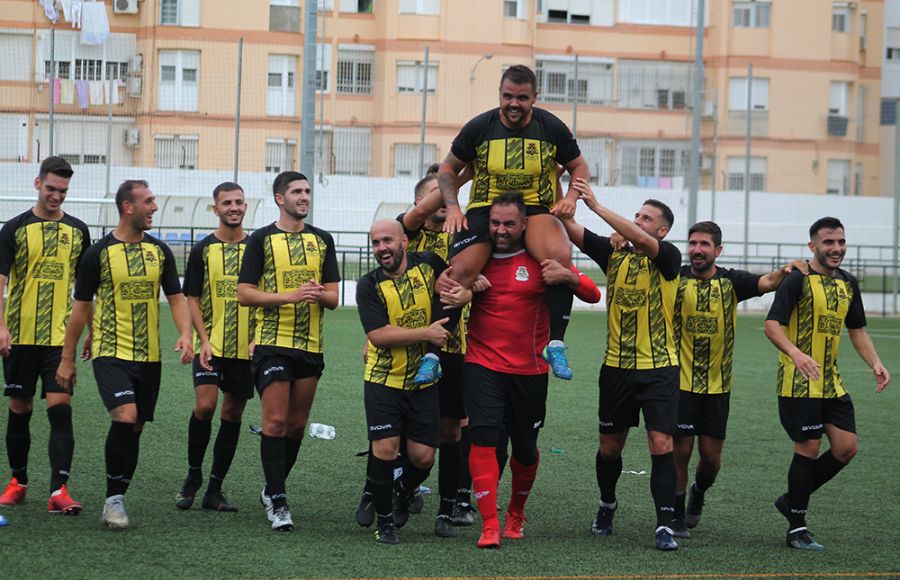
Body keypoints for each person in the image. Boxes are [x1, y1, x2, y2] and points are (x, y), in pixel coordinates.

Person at [425, 64, 591, 384]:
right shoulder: (479, 127)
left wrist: (570, 197)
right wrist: (453, 207)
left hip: (533, 207)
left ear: (534, 97)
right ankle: (433, 353)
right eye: (508, 96)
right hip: (487, 207)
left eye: (522, 98)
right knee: (458, 273)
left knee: (558, 259)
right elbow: (447, 170)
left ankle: (555, 343)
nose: (514, 104)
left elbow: (580, 165)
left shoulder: (550, 127)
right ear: (499, 94)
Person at [465, 193, 601, 549]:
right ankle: (490, 524)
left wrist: (569, 278)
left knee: (525, 448)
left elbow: (592, 295)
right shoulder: (475, 258)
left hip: (529, 370)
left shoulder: (543, 258)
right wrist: (466, 287)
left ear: (524, 224)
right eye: (495, 223)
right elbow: (445, 285)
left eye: (509, 223)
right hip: (481, 364)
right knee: (484, 439)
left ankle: (516, 513)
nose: (501, 230)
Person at [56, 179, 193, 529]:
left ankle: (119, 492)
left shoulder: (159, 251)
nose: (155, 207)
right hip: (110, 351)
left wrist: (186, 332)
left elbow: (176, 298)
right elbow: (81, 307)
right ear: (127, 206)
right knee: (125, 416)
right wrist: (67, 357)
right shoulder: (97, 253)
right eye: (148, 201)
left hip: (149, 357)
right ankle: (113, 502)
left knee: (136, 427)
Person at [664, 221, 807, 536]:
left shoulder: (732, 282)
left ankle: (698, 492)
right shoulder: (675, 276)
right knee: (680, 451)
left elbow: (769, 281)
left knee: (711, 459)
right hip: (681, 383)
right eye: (693, 243)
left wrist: (788, 269)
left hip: (718, 386)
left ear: (717, 250)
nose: (697, 250)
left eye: (704, 244)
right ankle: (675, 516)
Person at [562, 178, 681, 550]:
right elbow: (569, 227)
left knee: (661, 444)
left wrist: (597, 207)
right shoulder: (613, 253)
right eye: (637, 216)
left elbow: (643, 242)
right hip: (615, 368)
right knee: (610, 448)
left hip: (659, 368)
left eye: (646, 218)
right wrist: (564, 195)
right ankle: (607, 503)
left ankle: (664, 524)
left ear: (661, 230)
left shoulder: (669, 257)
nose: (638, 221)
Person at [764, 217, 889, 551]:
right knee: (808, 447)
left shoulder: (848, 283)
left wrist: (874, 362)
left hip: (831, 383)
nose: (836, 249)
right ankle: (796, 527)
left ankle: (791, 498)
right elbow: (772, 325)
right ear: (812, 246)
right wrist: (796, 354)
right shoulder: (797, 280)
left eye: (841, 242)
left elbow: (857, 330)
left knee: (846, 448)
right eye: (828, 243)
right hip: (798, 382)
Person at [237, 171, 339, 532]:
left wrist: (317, 293)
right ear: (280, 198)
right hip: (272, 344)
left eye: (308, 191)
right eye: (297, 191)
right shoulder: (261, 240)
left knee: (295, 426)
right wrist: (288, 296)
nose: (304, 197)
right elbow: (245, 293)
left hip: (310, 347)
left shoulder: (323, 240)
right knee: (275, 422)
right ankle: (279, 502)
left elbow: (334, 298)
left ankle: (271, 487)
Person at [0, 157, 90, 514]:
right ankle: (18, 482)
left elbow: (86, 288)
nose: (57, 196)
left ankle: (59, 490)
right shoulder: (14, 228)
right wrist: (1, 326)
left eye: (63, 191)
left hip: (60, 338)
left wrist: (90, 330)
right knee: (19, 408)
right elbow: (2, 280)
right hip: (21, 335)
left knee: (59, 408)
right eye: (51, 189)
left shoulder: (79, 230)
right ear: (37, 184)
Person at [355, 218, 453, 544]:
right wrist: (425, 333)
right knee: (385, 450)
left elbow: (454, 286)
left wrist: (470, 286)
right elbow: (378, 335)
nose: (381, 248)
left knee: (424, 457)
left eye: (387, 241)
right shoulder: (368, 285)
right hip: (383, 380)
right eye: (375, 243)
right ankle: (386, 524)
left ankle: (401, 490)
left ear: (404, 242)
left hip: (424, 381)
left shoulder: (429, 265)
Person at [174, 182, 254, 512]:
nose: (233, 207)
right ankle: (193, 477)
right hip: (211, 345)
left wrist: (255, 340)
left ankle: (215, 490)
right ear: (215, 209)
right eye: (226, 203)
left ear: (245, 206)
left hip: (246, 350)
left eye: (238, 202)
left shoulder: (258, 248)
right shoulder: (203, 249)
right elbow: (191, 296)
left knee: (232, 413)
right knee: (205, 407)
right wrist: (202, 340)